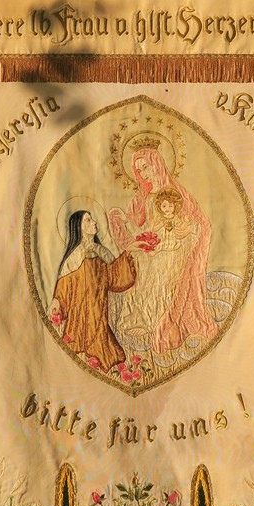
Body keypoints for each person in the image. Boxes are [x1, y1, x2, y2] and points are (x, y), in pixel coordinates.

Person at [108, 142, 217, 353]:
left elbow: (197, 223)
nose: (143, 174)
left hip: (175, 249)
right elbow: (141, 226)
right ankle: (138, 320)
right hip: (154, 245)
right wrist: (124, 220)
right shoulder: (143, 196)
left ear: (156, 164)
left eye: (145, 167)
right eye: (138, 170)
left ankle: (157, 322)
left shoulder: (174, 192)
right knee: (138, 263)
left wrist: (180, 235)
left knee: (160, 266)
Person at [50, 210, 136, 372]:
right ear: (80, 227)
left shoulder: (101, 251)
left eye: (92, 219)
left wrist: (129, 253)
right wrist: (57, 300)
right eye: (88, 220)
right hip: (80, 308)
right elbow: (65, 282)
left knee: (104, 342)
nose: (94, 222)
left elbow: (114, 275)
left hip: (99, 304)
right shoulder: (75, 255)